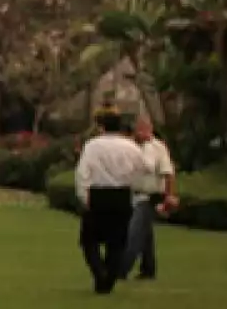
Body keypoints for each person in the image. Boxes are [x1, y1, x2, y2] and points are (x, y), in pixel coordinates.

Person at [74, 110, 145, 294]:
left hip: (99, 194)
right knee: (117, 241)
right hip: (121, 194)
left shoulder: (93, 146)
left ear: (102, 127)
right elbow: (140, 171)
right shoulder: (131, 147)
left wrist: (84, 195)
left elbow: (83, 173)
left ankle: (100, 273)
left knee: (89, 240)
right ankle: (109, 277)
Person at [121, 116, 178, 281]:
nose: (141, 133)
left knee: (135, 232)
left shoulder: (158, 148)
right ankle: (148, 268)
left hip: (150, 195)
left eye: (144, 129)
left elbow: (168, 173)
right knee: (145, 233)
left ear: (150, 130)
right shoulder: (130, 147)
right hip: (133, 194)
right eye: (138, 129)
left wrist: (169, 196)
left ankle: (121, 268)